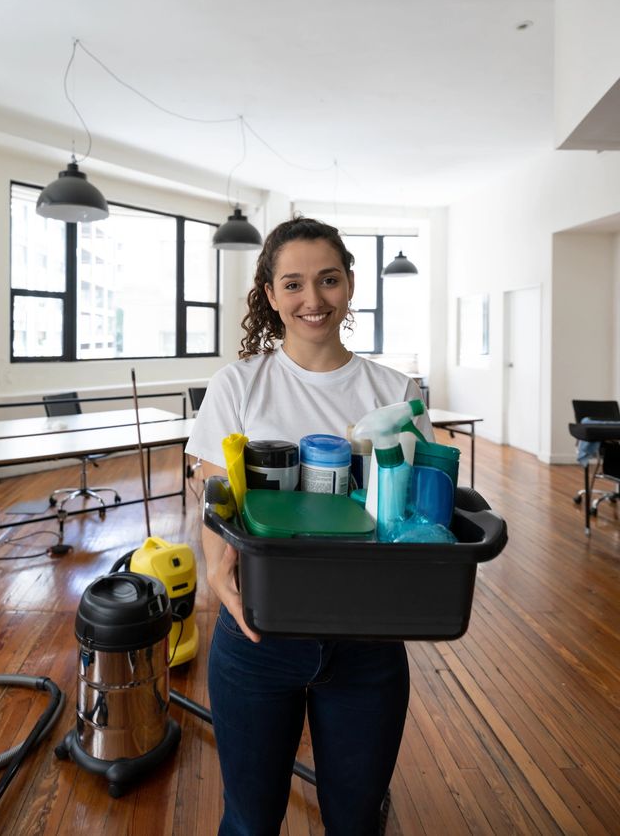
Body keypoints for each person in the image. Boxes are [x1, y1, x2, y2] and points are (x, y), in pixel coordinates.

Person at [187, 215, 433, 836]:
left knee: (355, 821)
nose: (312, 300)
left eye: (327, 280)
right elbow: (217, 494)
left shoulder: (395, 391)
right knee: (249, 822)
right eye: (292, 284)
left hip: (368, 641)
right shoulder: (239, 385)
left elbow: (423, 509)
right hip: (258, 635)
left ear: (349, 284)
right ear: (270, 295)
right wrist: (218, 570)